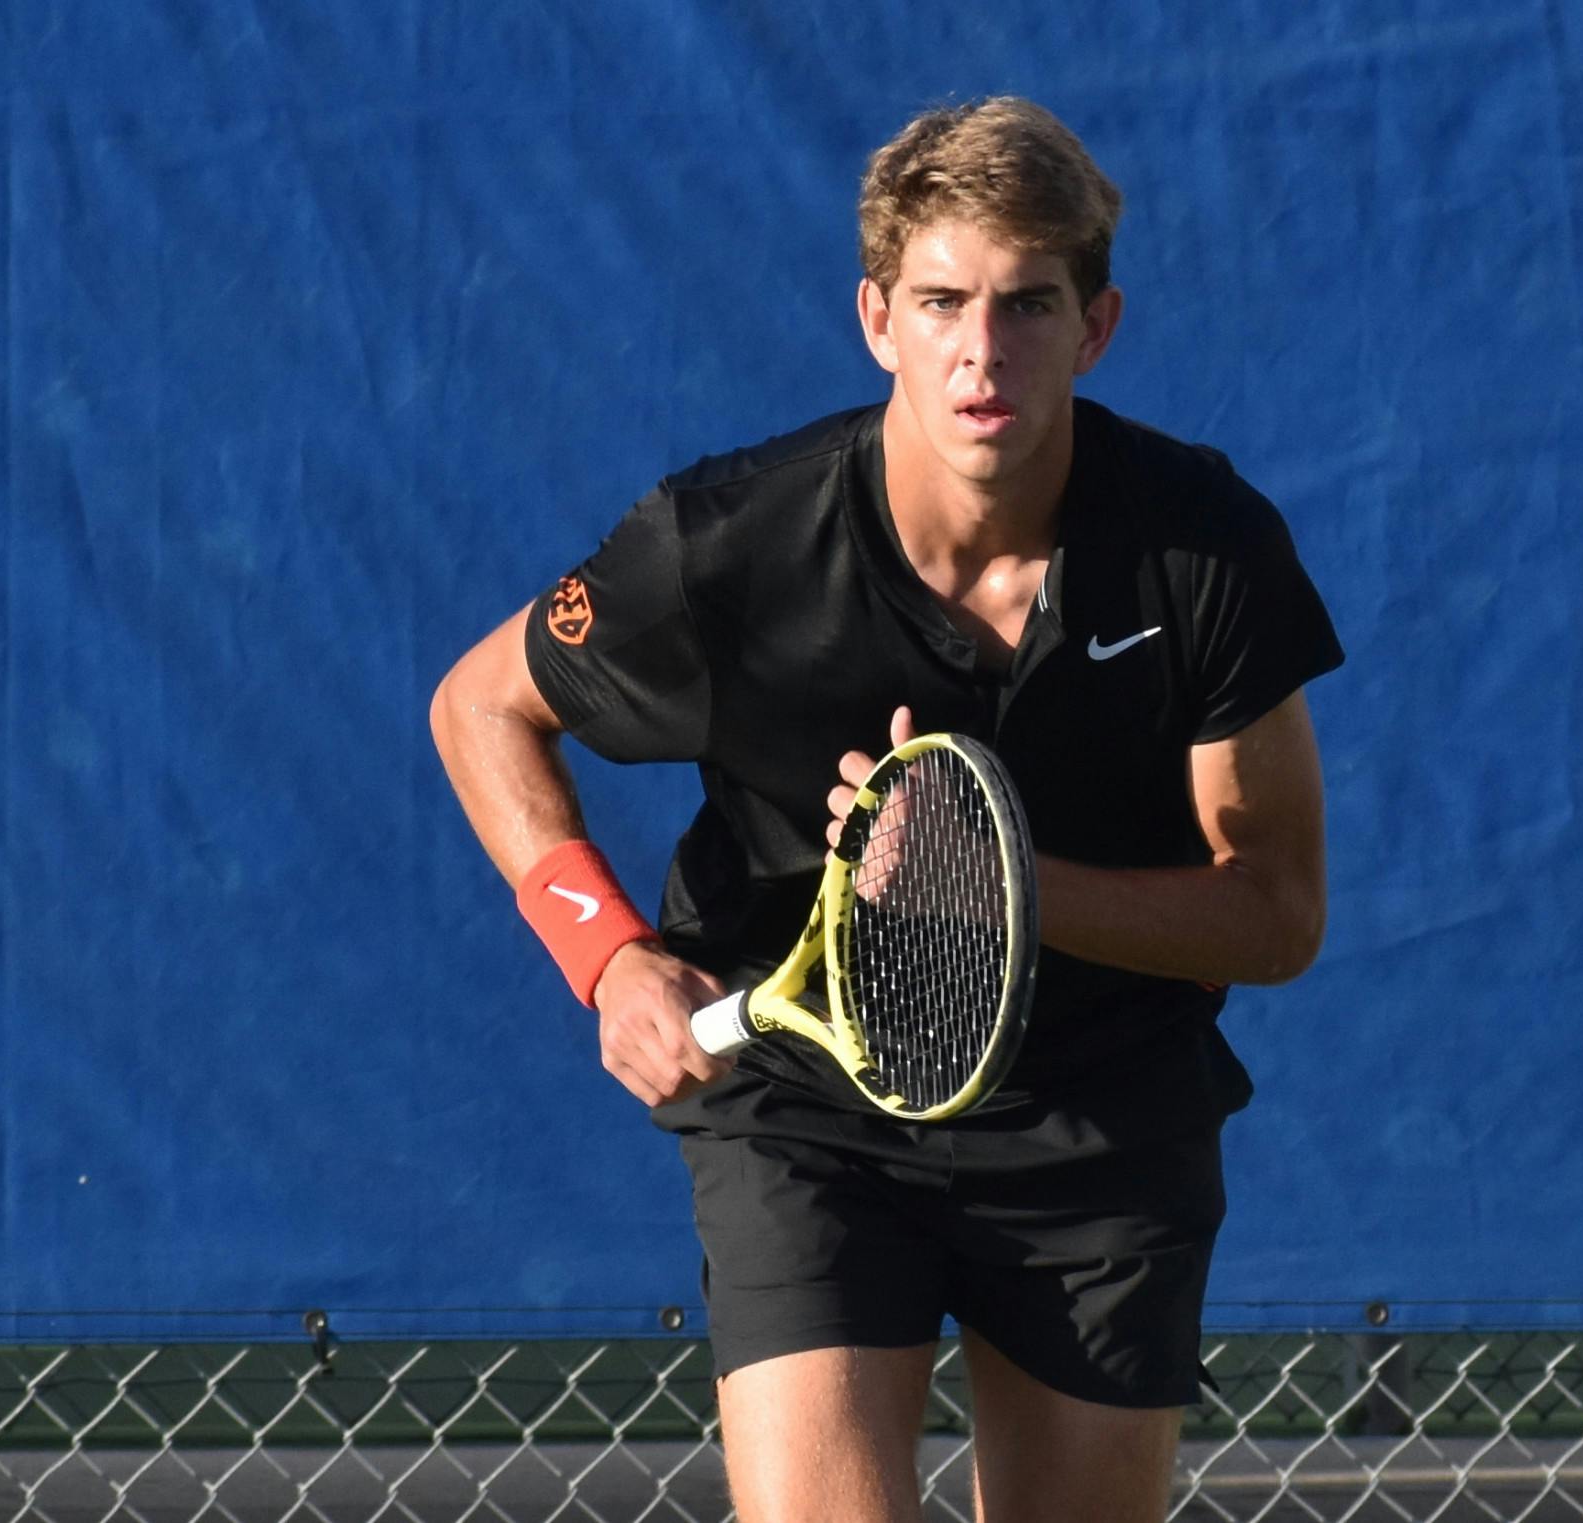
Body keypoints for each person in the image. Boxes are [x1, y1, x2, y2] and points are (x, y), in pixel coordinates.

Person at [431, 96, 1343, 1523]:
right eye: (942, 302)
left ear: (1098, 327)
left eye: (1031, 305)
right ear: (877, 318)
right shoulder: (724, 548)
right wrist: (604, 956)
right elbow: (481, 705)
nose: (984, 352)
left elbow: (1277, 913)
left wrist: (1003, 886)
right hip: (810, 1112)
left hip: (1102, 1118)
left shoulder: (1200, 548)